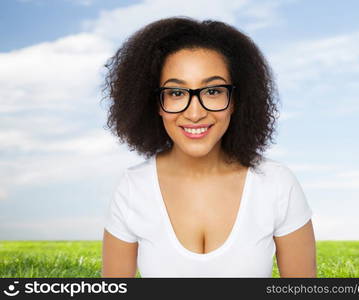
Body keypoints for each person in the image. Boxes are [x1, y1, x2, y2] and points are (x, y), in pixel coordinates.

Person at [101, 16, 316, 278]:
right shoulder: (133, 187)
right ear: (156, 103)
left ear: (235, 99)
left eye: (213, 91)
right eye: (176, 93)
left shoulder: (277, 184)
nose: (194, 113)